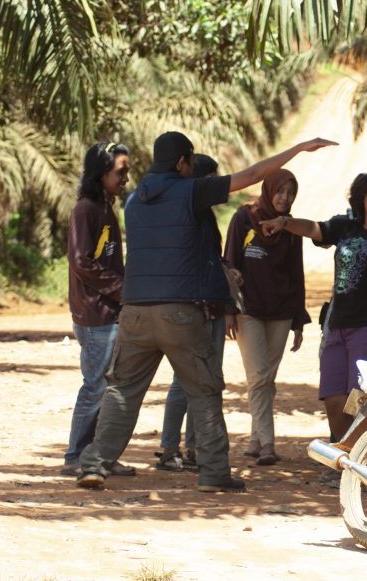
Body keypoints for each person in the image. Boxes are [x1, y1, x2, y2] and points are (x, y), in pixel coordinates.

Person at [76, 132, 336, 493]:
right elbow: (251, 175)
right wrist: (296, 149)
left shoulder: (133, 200)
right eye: (190, 161)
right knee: (204, 390)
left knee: (122, 391)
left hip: (134, 310)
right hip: (179, 311)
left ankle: (94, 464)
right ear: (182, 162)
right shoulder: (191, 190)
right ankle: (214, 472)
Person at [260, 171, 367, 449]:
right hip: (338, 324)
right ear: (362, 196)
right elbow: (313, 229)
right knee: (333, 396)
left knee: (362, 396)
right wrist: (284, 222)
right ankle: (347, 455)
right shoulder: (346, 226)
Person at [224, 169, 309, 466]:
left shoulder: (291, 227)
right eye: (280, 191)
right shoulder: (243, 219)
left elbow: (296, 274)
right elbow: (229, 261)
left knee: (265, 378)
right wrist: (229, 310)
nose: (284, 198)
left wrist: (299, 320)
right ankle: (268, 445)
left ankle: (254, 438)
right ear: (268, 190)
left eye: (290, 193)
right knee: (259, 376)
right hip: (249, 309)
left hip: (282, 312)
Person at [62, 141, 135, 478]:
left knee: (111, 388)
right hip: (94, 315)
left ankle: (101, 455)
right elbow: (80, 261)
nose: (126, 179)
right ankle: (76, 456)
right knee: (94, 386)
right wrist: (120, 290)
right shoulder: (86, 209)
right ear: (101, 171)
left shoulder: (107, 207)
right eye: (121, 172)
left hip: (111, 311)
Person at [155, 154, 230, 472]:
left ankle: (193, 448)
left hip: (211, 305)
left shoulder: (202, 215)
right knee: (184, 381)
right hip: (194, 308)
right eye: (211, 179)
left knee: (205, 380)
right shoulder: (188, 216)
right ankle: (170, 448)